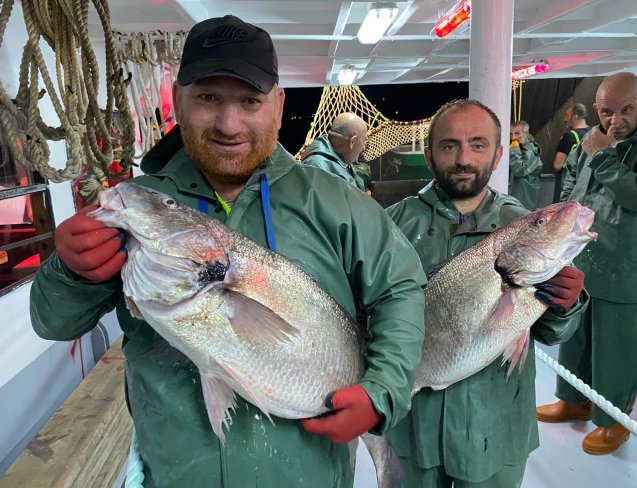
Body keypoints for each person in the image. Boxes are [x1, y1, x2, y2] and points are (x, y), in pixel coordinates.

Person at [29, 15, 427, 487]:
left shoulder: (337, 202)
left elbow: (401, 289)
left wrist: (382, 389)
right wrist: (70, 271)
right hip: (177, 475)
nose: (228, 123)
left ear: (278, 106)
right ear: (180, 99)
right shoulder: (142, 205)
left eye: (249, 101)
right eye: (208, 98)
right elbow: (54, 323)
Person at [384, 99, 587, 487]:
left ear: (497, 156)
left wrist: (567, 304)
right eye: (449, 145)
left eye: (478, 145)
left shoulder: (524, 226)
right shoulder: (390, 226)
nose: (463, 158)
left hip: (496, 428)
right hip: (412, 428)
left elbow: (551, 333)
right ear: (429, 155)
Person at [537, 72, 637, 455]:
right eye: (607, 111)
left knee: (618, 347)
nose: (616, 119)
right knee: (576, 337)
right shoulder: (596, 138)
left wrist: (602, 153)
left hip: (631, 269)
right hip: (585, 259)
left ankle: (613, 419)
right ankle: (573, 399)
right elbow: (572, 180)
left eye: (626, 110)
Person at [300, 112, 369, 192]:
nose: (363, 148)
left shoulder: (342, 161)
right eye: (364, 141)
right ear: (352, 142)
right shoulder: (319, 167)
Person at [551, 103, 591, 202]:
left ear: (575, 117)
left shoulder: (569, 136)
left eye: (567, 116)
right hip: (586, 184)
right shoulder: (593, 134)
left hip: (567, 184)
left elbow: (558, 165)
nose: (565, 119)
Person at [508, 120, 542, 210]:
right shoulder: (523, 148)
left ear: (526, 134)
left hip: (524, 199)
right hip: (519, 196)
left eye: (517, 133)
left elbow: (519, 170)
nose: (513, 138)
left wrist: (514, 150)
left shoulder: (531, 151)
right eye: (511, 134)